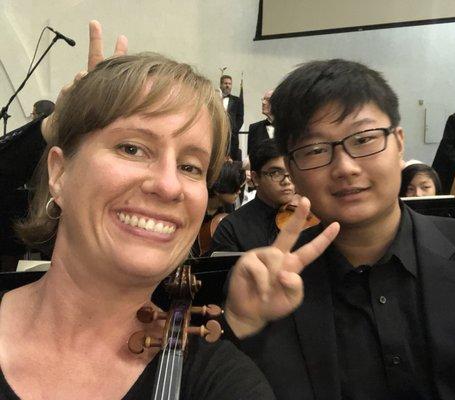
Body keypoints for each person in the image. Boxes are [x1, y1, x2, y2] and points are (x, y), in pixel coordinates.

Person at [222, 59, 455, 399]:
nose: (345, 167)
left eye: (364, 139)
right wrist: (241, 325)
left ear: (399, 143)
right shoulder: (265, 292)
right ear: (292, 172)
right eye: (314, 150)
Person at [0, 21, 277, 400]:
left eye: (190, 166)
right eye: (132, 148)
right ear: (60, 172)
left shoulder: (224, 382)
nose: (167, 185)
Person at [210, 138, 296, 253]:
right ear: (255, 178)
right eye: (275, 173)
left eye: (291, 171)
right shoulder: (230, 228)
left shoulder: (309, 216)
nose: (287, 181)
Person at [220, 75, 243, 161]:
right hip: (218, 135)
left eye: (229, 84)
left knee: (232, 162)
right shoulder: (215, 99)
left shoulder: (237, 100)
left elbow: (240, 117)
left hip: (232, 137)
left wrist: (234, 130)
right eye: (225, 83)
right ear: (221, 85)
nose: (227, 85)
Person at [248, 90, 274, 158]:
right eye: (263, 99)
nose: (263, 102)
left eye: (267, 99)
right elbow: (250, 156)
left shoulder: (287, 128)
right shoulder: (254, 128)